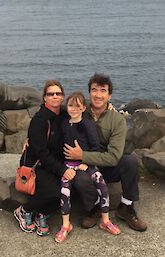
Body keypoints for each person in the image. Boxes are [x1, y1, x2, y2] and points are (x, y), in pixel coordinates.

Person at [64, 73, 147, 232]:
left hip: (105, 164)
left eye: (103, 91)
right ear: (89, 93)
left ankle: (126, 207)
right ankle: (95, 207)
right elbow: (58, 109)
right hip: (85, 167)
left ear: (109, 95)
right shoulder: (80, 109)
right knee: (81, 180)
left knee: (130, 162)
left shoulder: (117, 119)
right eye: (94, 90)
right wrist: (32, 136)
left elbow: (114, 157)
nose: (98, 94)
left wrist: (82, 155)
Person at [55, 92, 120, 243]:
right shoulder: (64, 123)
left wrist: (86, 162)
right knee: (64, 193)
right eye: (71, 105)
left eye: (78, 106)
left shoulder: (87, 124)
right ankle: (65, 225)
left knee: (102, 187)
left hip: (86, 164)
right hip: (68, 165)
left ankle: (105, 220)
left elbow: (95, 147)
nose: (74, 109)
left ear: (84, 108)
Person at [13, 79, 77, 236]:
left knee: (71, 189)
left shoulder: (63, 114)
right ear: (44, 98)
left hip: (53, 162)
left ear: (62, 97)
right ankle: (24, 211)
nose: (55, 96)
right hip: (37, 163)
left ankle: (42, 213)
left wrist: (108, 109)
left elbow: (81, 108)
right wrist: (62, 170)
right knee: (56, 191)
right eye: (51, 94)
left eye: (58, 93)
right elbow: (42, 153)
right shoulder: (39, 120)